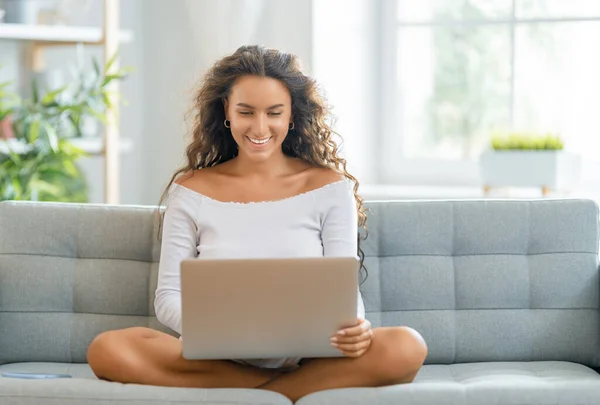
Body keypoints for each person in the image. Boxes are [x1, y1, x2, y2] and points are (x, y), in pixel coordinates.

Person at [87, 45, 427, 402]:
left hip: (308, 354)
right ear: (227, 113)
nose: (260, 127)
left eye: (274, 113)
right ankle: (283, 390)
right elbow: (169, 296)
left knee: (406, 346)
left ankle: (255, 391)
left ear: (292, 115)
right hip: (217, 355)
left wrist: (353, 326)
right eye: (246, 111)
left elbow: (344, 290)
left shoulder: (329, 187)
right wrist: (211, 329)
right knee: (108, 349)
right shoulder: (190, 190)